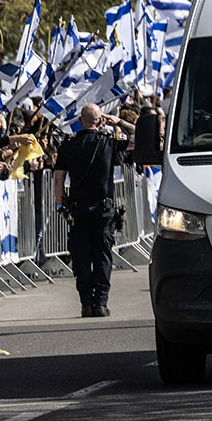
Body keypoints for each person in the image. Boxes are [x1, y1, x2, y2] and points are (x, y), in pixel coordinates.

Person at [54, 104, 134, 317]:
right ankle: (100, 303)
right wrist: (119, 123)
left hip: (78, 210)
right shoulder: (109, 142)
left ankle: (86, 304)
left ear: (80, 121)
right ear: (100, 121)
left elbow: (58, 179)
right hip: (103, 210)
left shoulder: (67, 146)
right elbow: (138, 137)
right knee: (103, 257)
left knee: (81, 257)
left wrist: (60, 206)